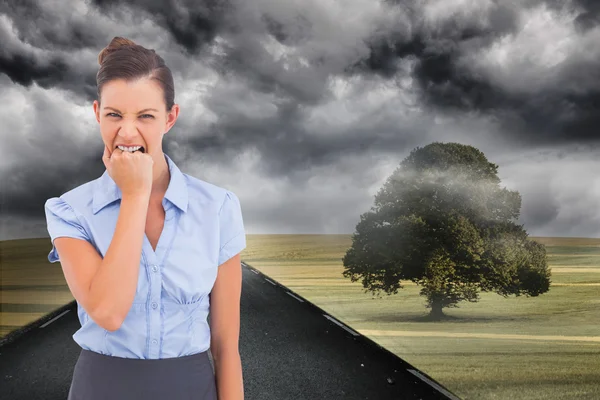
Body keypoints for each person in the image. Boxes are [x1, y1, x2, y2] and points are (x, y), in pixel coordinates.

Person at [43, 36, 246, 400]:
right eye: (114, 115)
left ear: (170, 118)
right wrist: (135, 195)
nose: (127, 132)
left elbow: (225, 344)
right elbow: (108, 312)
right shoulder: (70, 210)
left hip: (192, 388)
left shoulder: (217, 207)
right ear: (96, 113)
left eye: (146, 116)